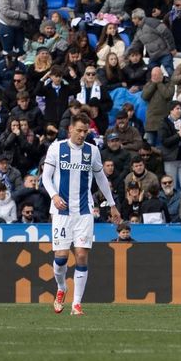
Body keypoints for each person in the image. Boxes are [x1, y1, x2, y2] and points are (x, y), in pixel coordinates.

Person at [41, 114, 120, 316]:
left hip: (84, 211)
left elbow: (101, 178)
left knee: (82, 256)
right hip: (61, 211)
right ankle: (61, 288)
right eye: (79, 130)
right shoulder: (57, 148)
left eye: (86, 131)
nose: (83, 134)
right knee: (61, 258)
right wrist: (54, 195)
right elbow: (46, 177)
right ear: (70, 130)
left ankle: (76, 304)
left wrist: (112, 205)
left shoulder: (92, 151)